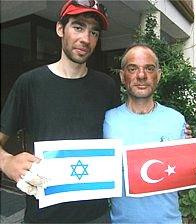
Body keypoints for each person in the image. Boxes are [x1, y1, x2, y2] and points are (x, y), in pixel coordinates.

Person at [0, 0, 120, 223]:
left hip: (96, 216)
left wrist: (173, 136)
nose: (86, 38)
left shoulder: (107, 86)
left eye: (94, 32)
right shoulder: (30, 83)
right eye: (78, 27)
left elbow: (123, 136)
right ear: (59, 29)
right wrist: (6, 162)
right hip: (44, 215)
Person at [103, 43, 196, 223]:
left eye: (149, 68)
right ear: (122, 76)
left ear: (158, 76)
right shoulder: (107, 120)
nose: (141, 75)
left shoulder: (176, 120)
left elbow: (190, 172)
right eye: (132, 68)